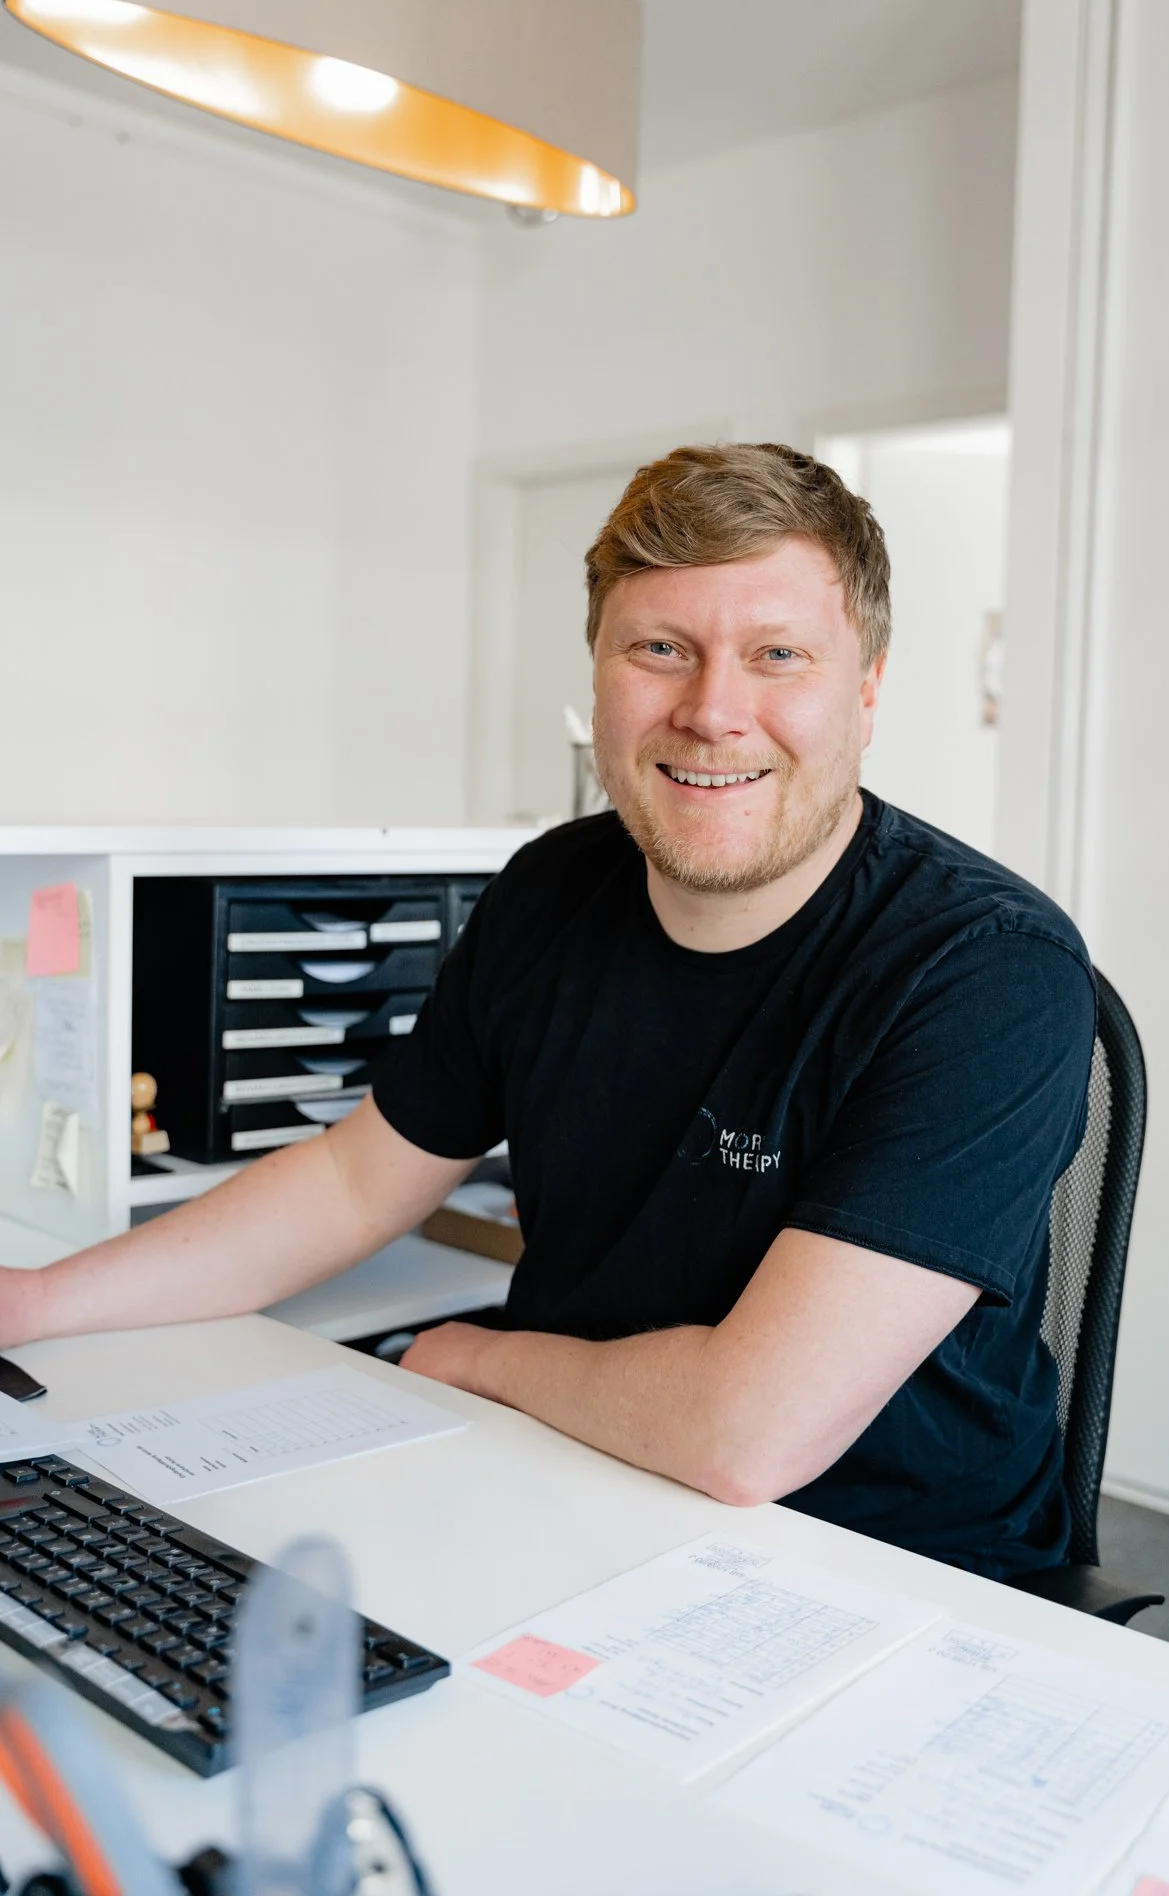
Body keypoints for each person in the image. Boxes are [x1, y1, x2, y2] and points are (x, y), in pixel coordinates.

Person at [0, 444, 1095, 1579]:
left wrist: (484, 1359)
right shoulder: (552, 889)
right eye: (660, 648)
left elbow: (746, 1432)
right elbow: (355, 1179)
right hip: (571, 1473)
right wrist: (35, 1300)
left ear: (865, 688)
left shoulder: (984, 971)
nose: (712, 710)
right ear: (598, 672)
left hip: (886, 1563)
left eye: (778, 655)